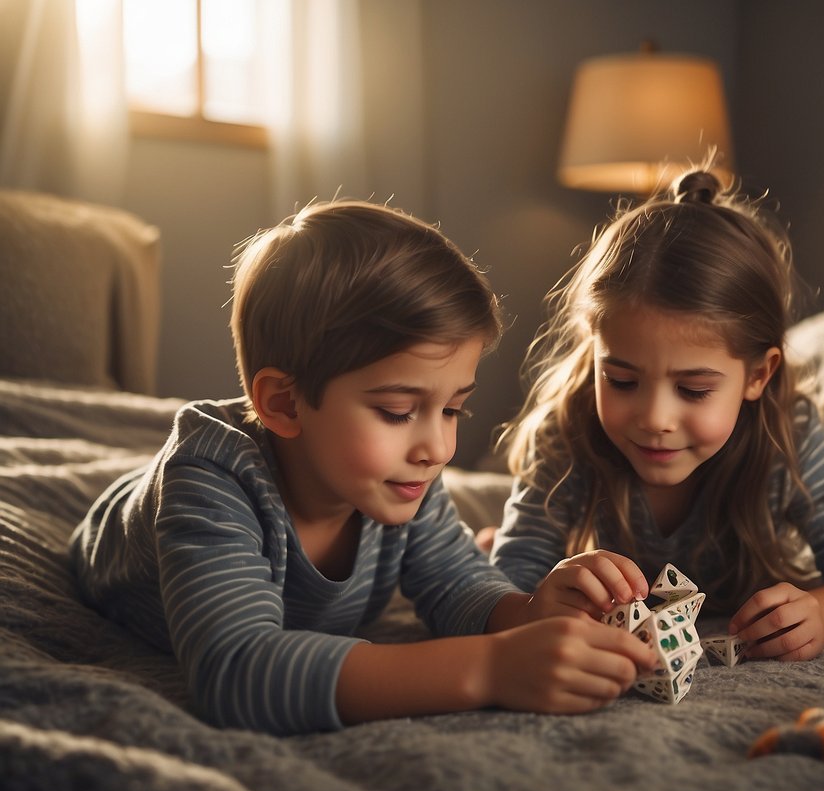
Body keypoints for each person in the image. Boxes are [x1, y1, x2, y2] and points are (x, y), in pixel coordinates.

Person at [70, 199, 653, 736]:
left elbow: (455, 584)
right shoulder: (212, 484)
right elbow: (237, 672)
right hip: (119, 541)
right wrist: (492, 666)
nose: (438, 447)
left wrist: (530, 613)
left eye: (453, 409)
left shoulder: (404, 473)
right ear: (284, 403)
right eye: (398, 411)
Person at [490, 169, 824, 661]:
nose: (654, 417)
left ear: (758, 375)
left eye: (693, 390)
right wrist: (540, 602)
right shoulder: (566, 432)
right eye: (622, 380)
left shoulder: (787, 438)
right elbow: (505, 588)